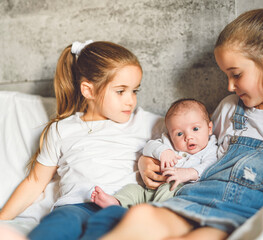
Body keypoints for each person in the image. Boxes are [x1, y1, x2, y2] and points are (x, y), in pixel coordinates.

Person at [100, 4, 263, 240]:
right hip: (199, 197)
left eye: (236, 75)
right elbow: (194, 149)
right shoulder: (230, 108)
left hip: (248, 216)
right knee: (141, 216)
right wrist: (147, 159)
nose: (230, 86)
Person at [0, 40, 163, 240]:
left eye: (134, 90)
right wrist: (2, 218)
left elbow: (189, 135)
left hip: (119, 206)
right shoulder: (62, 129)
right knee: (56, 226)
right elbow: (34, 181)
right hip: (73, 208)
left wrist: (147, 159)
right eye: (121, 91)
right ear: (89, 90)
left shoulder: (143, 121)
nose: (131, 100)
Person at [91, 98, 218, 208]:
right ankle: (116, 202)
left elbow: (210, 166)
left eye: (195, 129)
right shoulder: (169, 143)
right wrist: (163, 151)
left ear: (209, 128)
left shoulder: (210, 149)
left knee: (168, 190)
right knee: (132, 190)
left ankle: (156, 215)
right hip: (150, 190)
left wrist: (189, 173)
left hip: (177, 190)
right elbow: (149, 146)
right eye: (179, 133)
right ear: (170, 135)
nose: (188, 137)